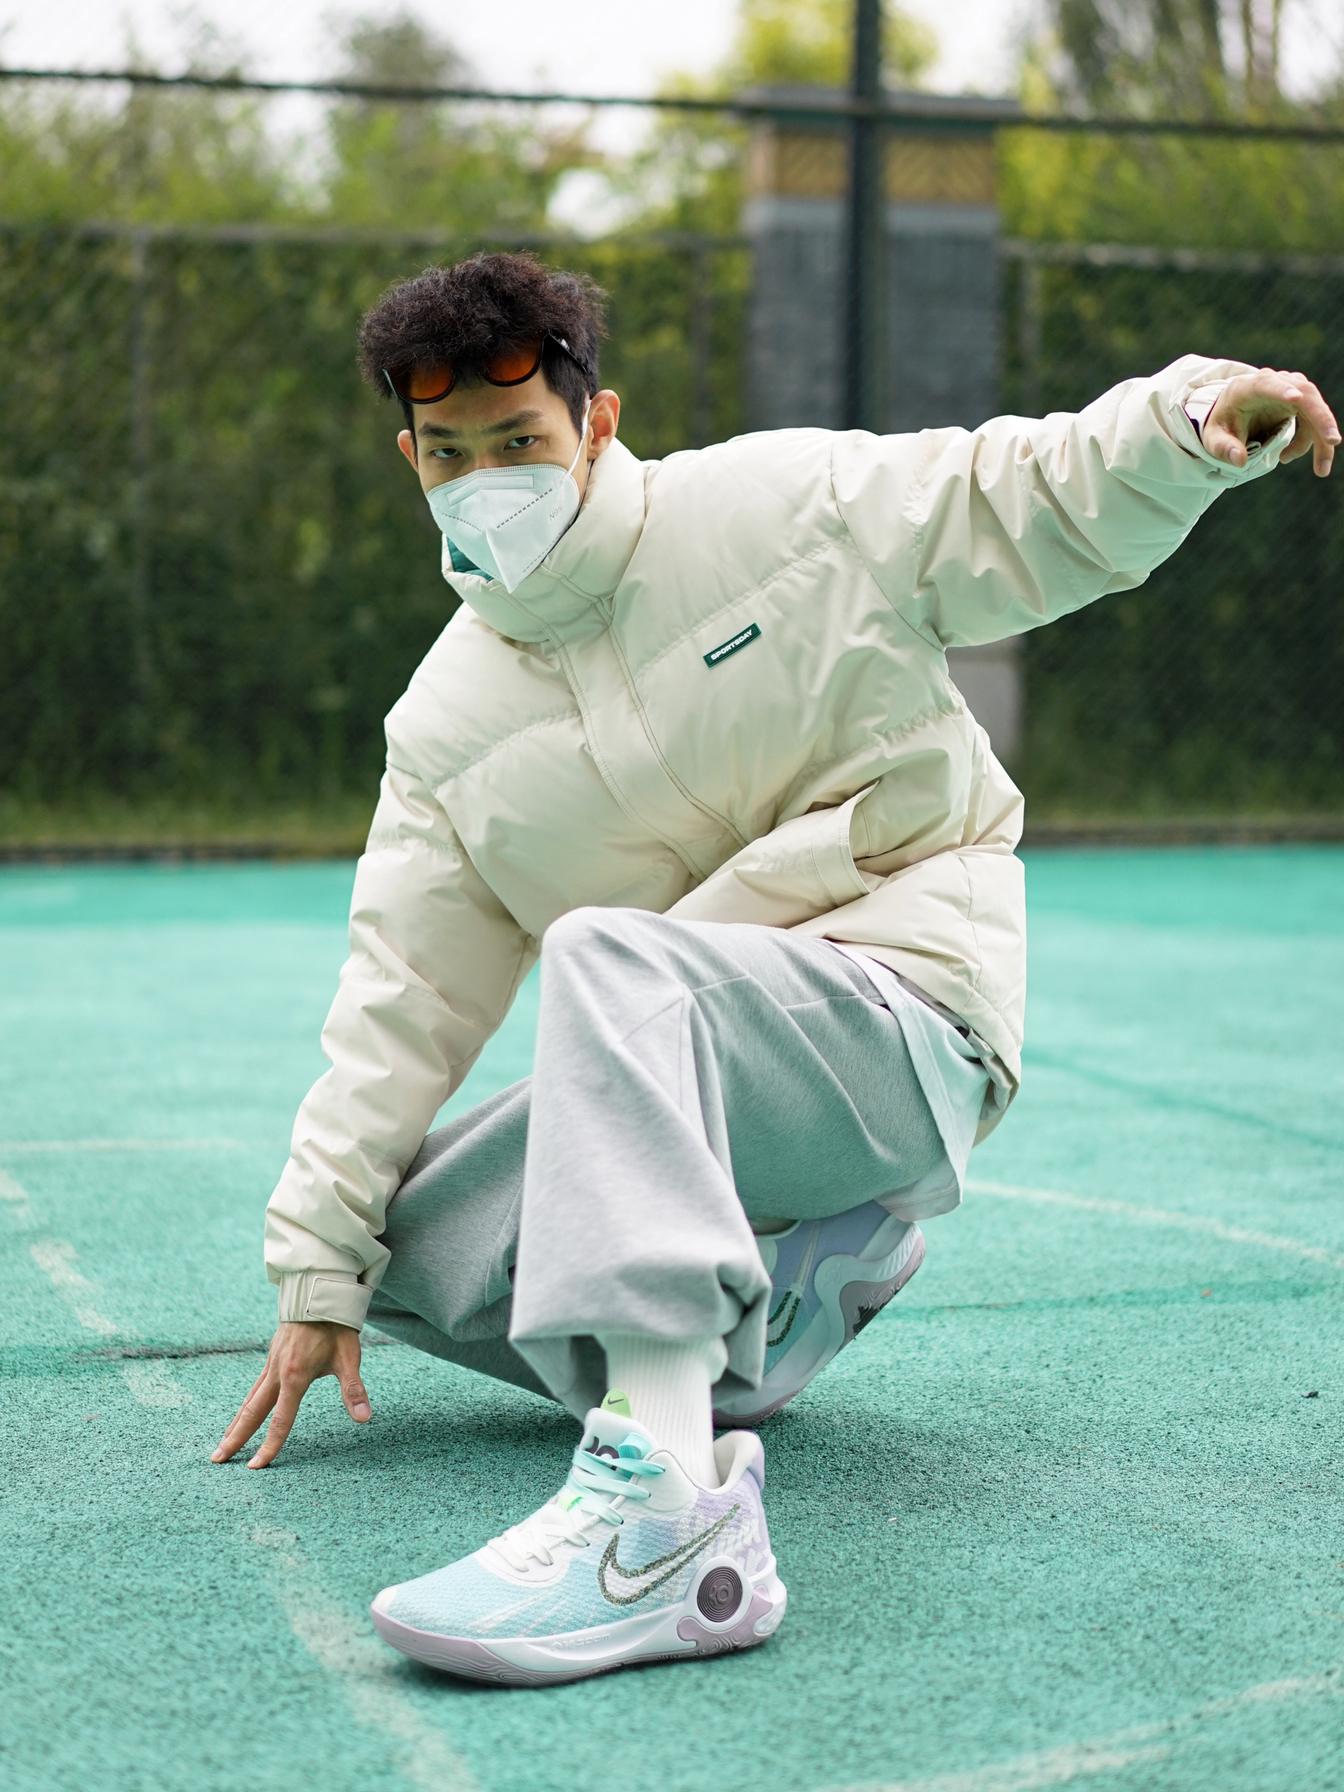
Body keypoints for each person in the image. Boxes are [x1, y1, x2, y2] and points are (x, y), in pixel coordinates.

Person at [211, 251, 1337, 1685]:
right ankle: (770, 1316)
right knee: (402, 1246)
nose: (486, 480)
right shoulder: (443, 733)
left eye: (519, 443)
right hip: (713, 1077)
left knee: (616, 962)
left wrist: (1186, 420)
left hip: (904, 1010)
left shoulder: (775, 507)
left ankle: (668, 1515)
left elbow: (1012, 492)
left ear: (596, 424)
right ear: (409, 461)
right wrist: (316, 1269)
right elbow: (401, 1002)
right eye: (450, 455)